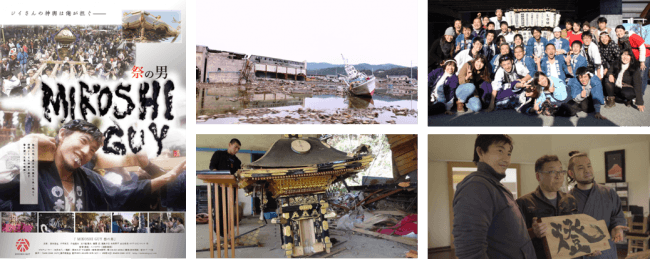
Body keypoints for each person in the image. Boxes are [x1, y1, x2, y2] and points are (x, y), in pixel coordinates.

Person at [0, 119, 186, 211]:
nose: (85, 151)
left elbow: (121, 194)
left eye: (92, 150)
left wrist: (168, 177)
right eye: (82, 141)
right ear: (62, 134)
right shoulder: (33, 174)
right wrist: (25, 145)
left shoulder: (87, 178)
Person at [452, 134, 536, 259]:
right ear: (480, 152)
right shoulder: (476, 186)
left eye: (508, 153)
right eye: (500, 151)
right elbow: (469, 251)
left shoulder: (493, 185)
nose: (506, 159)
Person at [515, 155, 592, 259]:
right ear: (538, 176)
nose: (558, 176)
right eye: (552, 172)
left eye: (560, 171)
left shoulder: (570, 200)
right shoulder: (523, 203)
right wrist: (533, 232)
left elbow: (576, 232)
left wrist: (587, 248)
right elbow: (514, 238)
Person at [566, 151, 629, 259]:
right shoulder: (566, 199)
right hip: (580, 254)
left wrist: (617, 228)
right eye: (581, 168)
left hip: (606, 253)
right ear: (571, 173)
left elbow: (617, 216)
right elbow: (565, 232)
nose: (587, 171)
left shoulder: (609, 193)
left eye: (589, 166)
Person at [209, 138, 242, 242]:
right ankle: (218, 235)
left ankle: (227, 233)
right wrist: (218, 178)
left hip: (230, 188)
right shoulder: (218, 154)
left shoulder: (237, 161)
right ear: (229, 144)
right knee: (219, 210)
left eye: (238, 148)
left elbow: (237, 175)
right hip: (218, 187)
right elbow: (212, 167)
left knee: (229, 211)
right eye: (235, 147)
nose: (236, 150)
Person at [616, 25, 650, 96]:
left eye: (620, 31)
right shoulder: (621, 40)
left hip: (644, 56)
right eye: (617, 31)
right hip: (635, 58)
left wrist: (642, 62)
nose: (619, 33)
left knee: (642, 75)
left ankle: (640, 94)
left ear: (624, 31)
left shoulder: (633, 36)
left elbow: (642, 48)